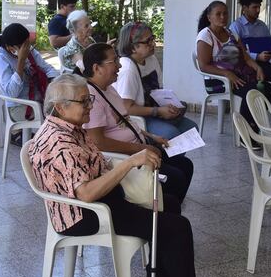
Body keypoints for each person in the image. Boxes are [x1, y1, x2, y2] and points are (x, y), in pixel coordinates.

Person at [29, 74, 227, 277]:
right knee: (178, 227)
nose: (90, 106)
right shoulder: (60, 143)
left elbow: (96, 166)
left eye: (89, 100)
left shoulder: (71, 126)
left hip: (102, 198)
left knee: (168, 203)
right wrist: (129, 163)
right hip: (85, 214)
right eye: (84, 102)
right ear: (61, 107)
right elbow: (86, 194)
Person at [80, 43, 194, 204]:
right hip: (122, 158)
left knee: (186, 165)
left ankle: (168, 205)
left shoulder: (108, 88)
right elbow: (98, 143)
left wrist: (152, 137)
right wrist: (141, 149)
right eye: (114, 61)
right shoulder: (92, 97)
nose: (119, 65)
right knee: (176, 178)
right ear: (97, 68)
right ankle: (163, 207)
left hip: (138, 147)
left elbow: (125, 121)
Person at [196, 0, 271, 130]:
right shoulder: (205, 36)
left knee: (268, 90)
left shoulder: (231, 33)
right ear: (209, 17)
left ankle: (252, 124)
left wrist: (257, 67)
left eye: (225, 14)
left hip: (238, 75)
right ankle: (246, 132)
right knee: (251, 92)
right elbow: (203, 66)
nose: (223, 17)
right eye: (218, 14)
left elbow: (246, 57)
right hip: (217, 81)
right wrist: (227, 73)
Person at [114, 21, 198, 139]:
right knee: (171, 135)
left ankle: (172, 157)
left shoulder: (151, 59)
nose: (153, 43)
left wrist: (171, 105)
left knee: (191, 130)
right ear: (133, 47)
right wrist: (157, 111)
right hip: (137, 118)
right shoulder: (127, 69)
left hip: (153, 111)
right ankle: (160, 156)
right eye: (147, 42)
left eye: (152, 38)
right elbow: (126, 109)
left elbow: (158, 91)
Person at [0, 23, 59, 121]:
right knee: (60, 113)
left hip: (38, 97)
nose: (27, 48)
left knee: (65, 105)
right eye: (22, 46)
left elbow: (47, 68)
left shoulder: (29, 49)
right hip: (18, 105)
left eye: (27, 44)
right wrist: (21, 61)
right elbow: (11, 93)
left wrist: (54, 81)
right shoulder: (0, 58)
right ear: (10, 47)